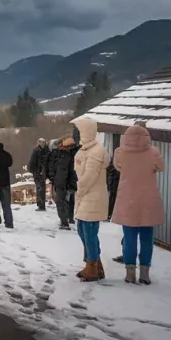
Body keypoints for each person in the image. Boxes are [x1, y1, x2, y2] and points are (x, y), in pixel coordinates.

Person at [111, 125, 165, 285]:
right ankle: (145, 274)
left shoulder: (120, 153)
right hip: (149, 200)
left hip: (128, 199)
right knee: (147, 238)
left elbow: (117, 167)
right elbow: (162, 167)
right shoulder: (153, 152)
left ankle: (130, 273)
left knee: (129, 238)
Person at [72, 116, 109, 282]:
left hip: (93, 196)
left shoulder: (96, 151)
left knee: (89, 232)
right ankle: (95, 263)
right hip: (85, 196)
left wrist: (80, 190)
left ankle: (92, 266)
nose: (79, 135)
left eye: (81, 131)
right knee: (82, 230)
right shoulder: (83, 151)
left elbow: (89, 176)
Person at [47, 137, 77, 230]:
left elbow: (58, 169)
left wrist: (53, 178)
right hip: (70, 182)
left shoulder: (62, 155)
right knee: (69, 200)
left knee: (61, 201)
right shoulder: (73, 154)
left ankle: (64, 222)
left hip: (61, 183)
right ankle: (69, 218)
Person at [27, 138, 51, 211]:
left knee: (40, 189)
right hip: (44, 172)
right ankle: (41, 205)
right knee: (41, 188)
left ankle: (41, 206)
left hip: (38, 172)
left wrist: (32, 171)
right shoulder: (48, 150)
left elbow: (31, 162)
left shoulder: (36, 150)